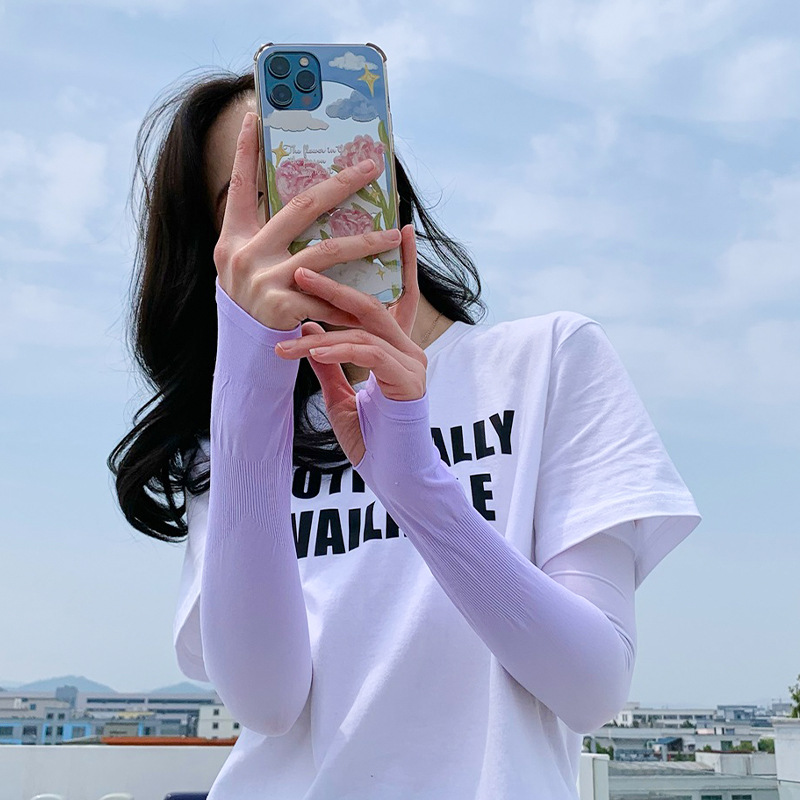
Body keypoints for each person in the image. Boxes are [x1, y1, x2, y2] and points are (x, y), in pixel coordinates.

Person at [108, 69, 701, 800]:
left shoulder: (547, 360)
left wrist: (419, 490)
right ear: (220, 250)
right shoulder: (231, 422)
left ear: (380, 166)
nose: (305, 202)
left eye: (319, 158)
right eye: (257, 195)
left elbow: (593, 686)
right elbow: (267, 702)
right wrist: (248, 386)